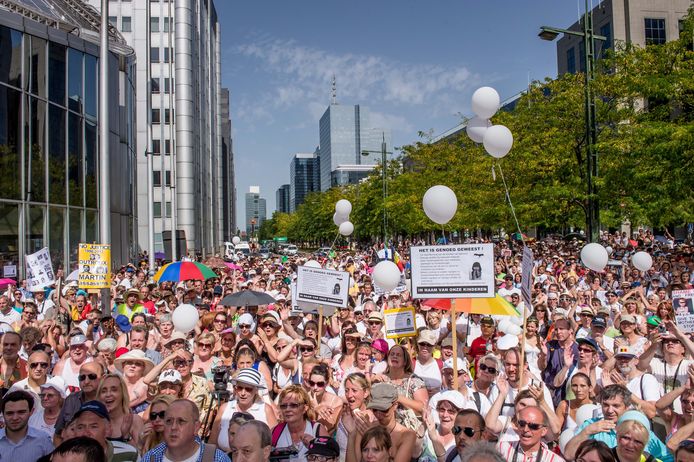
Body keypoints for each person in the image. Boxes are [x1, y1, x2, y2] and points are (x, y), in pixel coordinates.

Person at [564, 385, 673, 462]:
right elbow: (569, 455)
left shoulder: (640, 429)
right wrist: (587, 432)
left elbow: (669, 458)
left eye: (616, 406)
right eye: (606, 405)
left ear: (626, 407)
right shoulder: (590, 425)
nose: (609, 410)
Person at [209, 368, 278, 452]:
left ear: (256, 390)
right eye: (239, 388)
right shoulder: (224, 408)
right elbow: (212, 443)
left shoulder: (265, 410)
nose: (243, 393)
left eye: (248, 389)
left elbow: (275, 442)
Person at [141, 399, 231, 462]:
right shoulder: (151, 458)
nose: (173, 427)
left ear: (196, 427)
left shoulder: (216, 459)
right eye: (169, 421)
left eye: (181, 421)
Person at [54, 361, 105, 443]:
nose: (86, 381)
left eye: (92, 376)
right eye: (82, 377)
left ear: (103, 378)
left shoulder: (109, 401)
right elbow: (57, 436)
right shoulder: (71, 400)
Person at [72, 400, 139, 462]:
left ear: (107, 430)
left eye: (93, 427)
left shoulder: (129, 454)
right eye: (80, 427)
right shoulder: (66, 457)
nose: (86, 433)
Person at [496, 406, 566, 462]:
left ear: (544, 431)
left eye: (533, 426)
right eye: (522, 424)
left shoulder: (555, 460)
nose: (525, 429)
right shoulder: (502, 448)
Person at [0, 390, 54, 461]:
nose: (15, 418)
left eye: (21, 412)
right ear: (3, 414)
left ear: (31, 412)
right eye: (9, 413)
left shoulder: (43, 440)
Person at [97, 373, 145, 447]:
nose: (108, 394)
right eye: (104, 391)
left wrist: (126, 436)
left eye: (114, 390)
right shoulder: (96, 422)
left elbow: (142, 455)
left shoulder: (134, 420)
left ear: (123, 394)